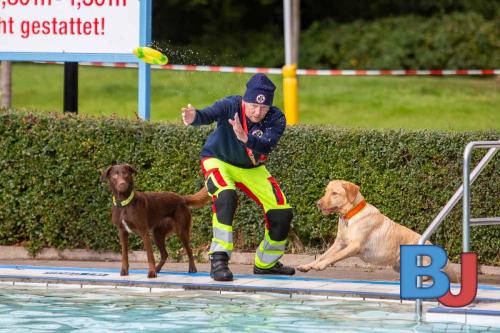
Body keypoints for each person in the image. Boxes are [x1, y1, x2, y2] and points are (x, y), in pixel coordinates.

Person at [181, 73, 295, 281]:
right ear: (245, 100)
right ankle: (219, 260)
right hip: (217, 160)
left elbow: (267, 145)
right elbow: (207, 114)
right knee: (226, 196)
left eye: (263, 108)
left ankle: (266, 263)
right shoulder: (231, 104)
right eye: (253, 105)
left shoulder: (276, 117)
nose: (257, 112)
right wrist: (194, 117)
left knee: (282, 212)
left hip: (252, 168)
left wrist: (246, 138)